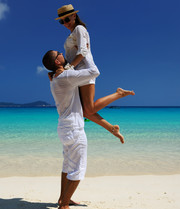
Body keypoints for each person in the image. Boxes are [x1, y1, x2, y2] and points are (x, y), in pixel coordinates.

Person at [42, 50, 133, 209]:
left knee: (67, 166)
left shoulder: (55, 79)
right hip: (74, 128)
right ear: (57, 62)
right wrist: (84, 53)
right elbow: (94, 72)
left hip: (64, 127)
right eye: (59, 54)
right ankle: (63, 208)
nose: (62, 53)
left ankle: (64, 199)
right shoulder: (64, 77)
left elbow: (62, 74)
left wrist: (67, 67)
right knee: (78, 168)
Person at [55, 4, 135, 141]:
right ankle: (112, 129)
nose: (65, 23)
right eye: (62, 21)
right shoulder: (72, 33)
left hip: (84, 70)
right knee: (85, 111)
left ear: (74, 16)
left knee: (89, 109)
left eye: (67, 19)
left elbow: (82, 51)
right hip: (76, 73)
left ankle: (119, 94)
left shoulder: (79, 29)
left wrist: (69, 68)